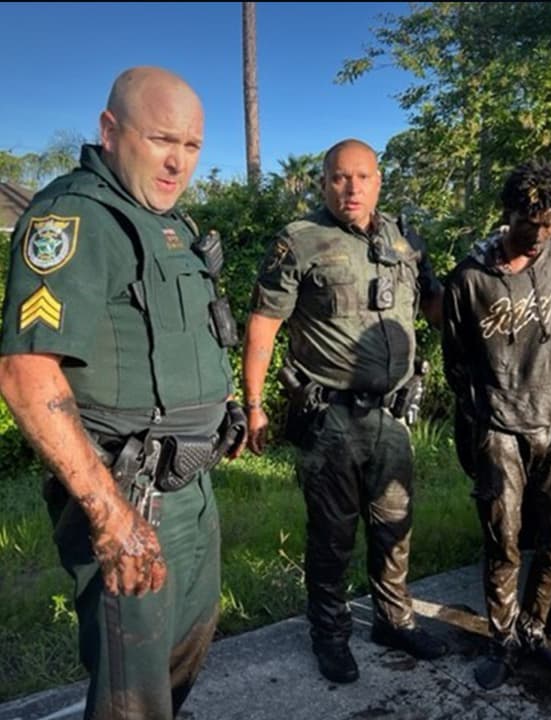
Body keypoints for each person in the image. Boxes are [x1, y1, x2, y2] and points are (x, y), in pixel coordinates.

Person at [0, 66, 247, 718]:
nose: (177, 161)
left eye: (191, 146)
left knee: (181, 654)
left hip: (189, 486)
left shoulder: (168, 221)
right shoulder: (76, 217)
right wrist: (110, 516)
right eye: (161, 138)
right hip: (129, 493)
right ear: (110, 131)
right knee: (131, 694)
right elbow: (27, 372)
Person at [242, 138, 446, 684]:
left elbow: (435, 308)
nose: (351, 188)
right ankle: (330, 636)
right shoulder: (300, 241)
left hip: (392, 418)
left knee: (394, 527)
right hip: (330, 419)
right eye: (339, 177)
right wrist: (255, 404)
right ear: (323, 182)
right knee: (332, 537)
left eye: (362, 177)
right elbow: (264, 323)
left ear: (378, 181)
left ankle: (393, 621)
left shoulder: (403, 241)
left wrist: (466, 273)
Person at [440, 159, 551, 690]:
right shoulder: (469, 278)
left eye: (550, 224)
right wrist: (485, 413)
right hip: (498, 424)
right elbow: (455, 359)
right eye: (530, 225)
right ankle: (502, 641)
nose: (541, 235)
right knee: (503, 540)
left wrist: (548, 389)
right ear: (508, 216)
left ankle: (534, 629)